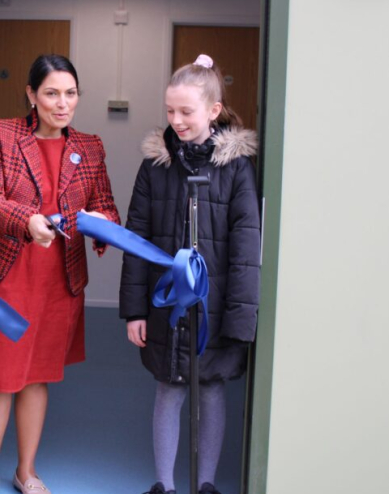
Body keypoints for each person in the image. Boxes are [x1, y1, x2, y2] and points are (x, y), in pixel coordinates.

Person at [0, 54, 120, 494]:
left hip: (58, 280)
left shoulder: (89, 146)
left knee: (37, 377)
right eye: (51, 93)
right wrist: (26, 220)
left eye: (70, 93)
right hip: (4, 277)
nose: (62, 103)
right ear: (31, 95)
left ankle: (26, 472)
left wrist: (103, 223)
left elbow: (106, 204)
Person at [120, 54, 261, 494]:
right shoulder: (155, 168)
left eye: (186, 112)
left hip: (215, 303)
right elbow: (136, 241)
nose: (175, 120)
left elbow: (246, 246)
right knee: (169, 387)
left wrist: (240, 318)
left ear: (213, 112)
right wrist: (135, 310)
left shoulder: (236, 169)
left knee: (211, 386)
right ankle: (163, 484)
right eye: (169, 111)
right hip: (166, 300)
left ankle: (205, 484)